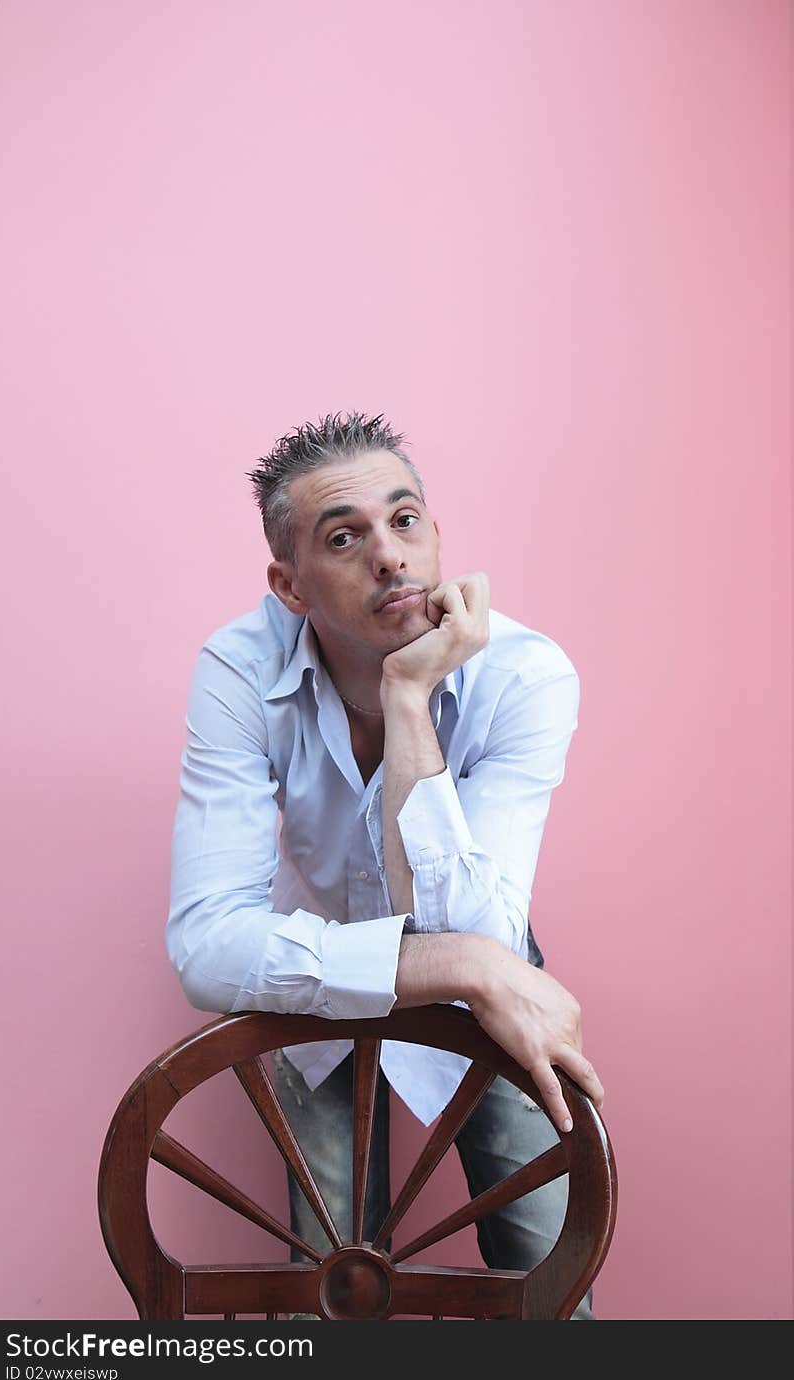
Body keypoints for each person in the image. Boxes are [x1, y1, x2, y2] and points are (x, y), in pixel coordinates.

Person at [166, 410, 604, 1319]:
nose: (390, 556)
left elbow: (473, 929)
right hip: (313, 972)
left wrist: (409, 695)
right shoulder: (238, 670)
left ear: (436, 534)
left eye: (406, 522)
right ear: (289, 586)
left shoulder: (525, 675)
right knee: (336, 1285)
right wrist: (462, 963)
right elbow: (207, 946)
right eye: (344, 536)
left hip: (487, 972)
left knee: (548, 1274)